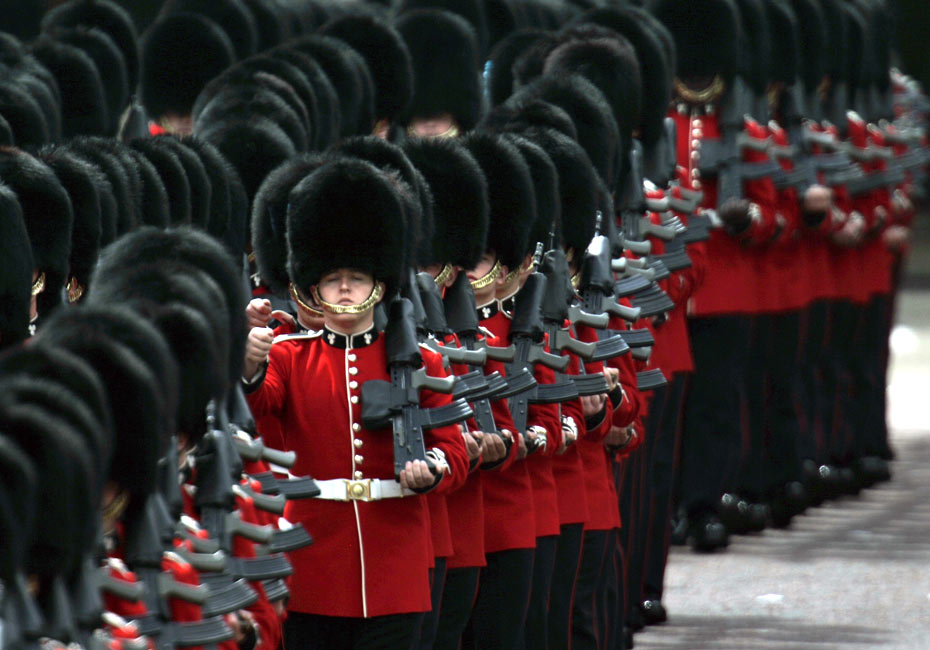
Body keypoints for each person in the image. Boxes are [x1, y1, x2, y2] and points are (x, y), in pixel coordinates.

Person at [243, 158, 467, 649]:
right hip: (313, 559)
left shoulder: (422, 360)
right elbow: (262, 403)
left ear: (379, 285)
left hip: (394, 559)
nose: (344, 288)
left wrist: (432, 468)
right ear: (314, 287)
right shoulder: (289, 356)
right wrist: (250, 363)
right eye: (332, 278)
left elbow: (453, 449)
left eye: (357, 277)